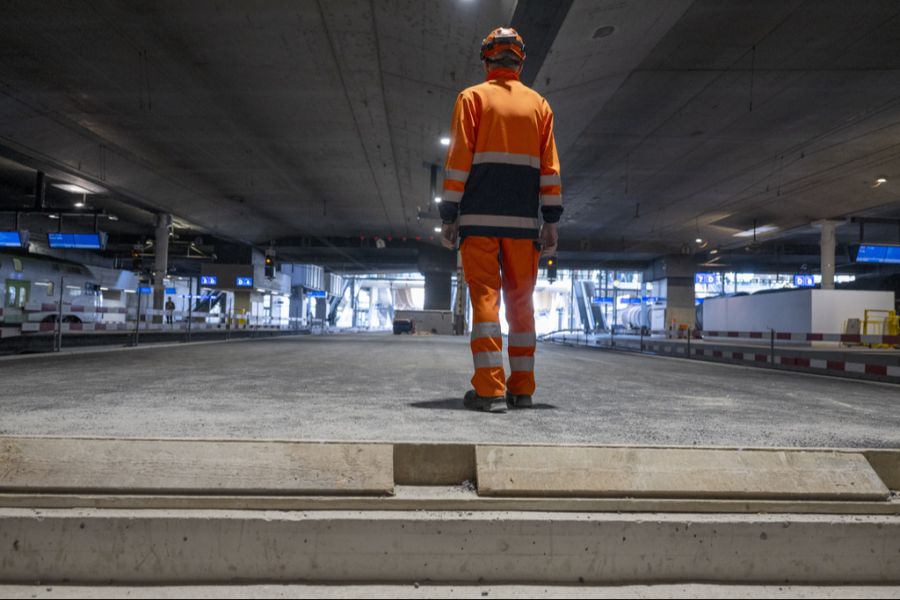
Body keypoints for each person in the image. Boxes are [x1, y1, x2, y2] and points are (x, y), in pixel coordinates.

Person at [440, 27, 562, 413]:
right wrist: (551, 220)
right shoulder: (540, 106)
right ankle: (522, 390)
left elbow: (459, 160)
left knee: (486, 302)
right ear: (520, 63)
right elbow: (550, 170)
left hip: (478, 222)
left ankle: (490, 390)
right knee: (521, 304)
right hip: (523, 227)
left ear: (487, 61)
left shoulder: (472, 99)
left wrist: (449, 213)